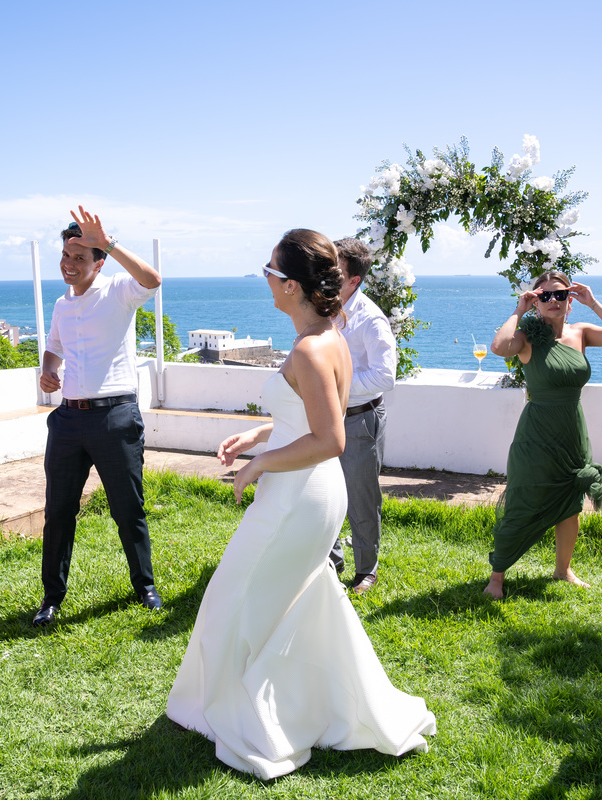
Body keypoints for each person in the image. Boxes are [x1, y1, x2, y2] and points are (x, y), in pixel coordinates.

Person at [167, 229, 436, 780]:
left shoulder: (312, 347)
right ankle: (312, 702)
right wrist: (258, 435)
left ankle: (251, 713)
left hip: (298, 494)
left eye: (270, 270)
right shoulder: (329, 335)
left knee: (234, 594)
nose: (265, 278)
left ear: (291, 285)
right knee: (291, 599)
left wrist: (261, 464)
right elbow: (310, 416)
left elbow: (331, 438)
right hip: (311, 489)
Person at [33, 205, 163, 624]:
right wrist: (48, 371)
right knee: (58, 511)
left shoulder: (118, 290)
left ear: (99, 262)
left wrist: (108, 241)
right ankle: (51, 598)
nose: (68, 264)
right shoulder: (61, 304)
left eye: (79, 257)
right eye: (65, 255)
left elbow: (152, 280)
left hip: (115, 417)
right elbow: (54, 349)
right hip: (68, 420)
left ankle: (145, 586)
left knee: (127, 508)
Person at [484, 271, 602, 600]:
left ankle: (563, 570)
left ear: (570, 301)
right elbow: (499, 348)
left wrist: (594, 303)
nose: (553, 300)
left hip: (573, 429)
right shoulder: (528, 337)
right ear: (536, 301)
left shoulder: (581, 333)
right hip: (536, 433)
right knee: (523, 501)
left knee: (570, 502)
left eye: (560, 294)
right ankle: (496, 577)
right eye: (545, 295)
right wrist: (519, 310)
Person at [326, 236, 397, 594]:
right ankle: (332, 560)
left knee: (361, 497)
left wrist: (333, 386)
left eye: (334, 270)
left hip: (359, 418)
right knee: (325, 490)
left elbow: (385, 376)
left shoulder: (371, 319)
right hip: (328, 418)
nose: (326, 275)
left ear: (354, 280)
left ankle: (366, 569)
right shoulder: (324, 306)